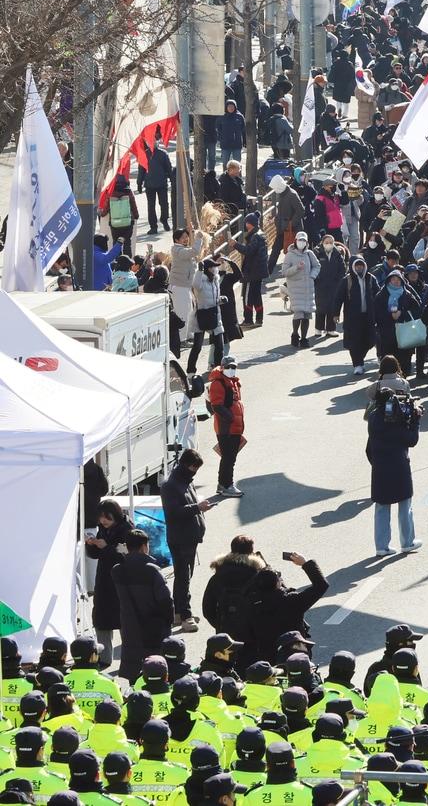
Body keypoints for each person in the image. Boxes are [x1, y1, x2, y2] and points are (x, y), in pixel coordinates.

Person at [159, 449, 212, 634]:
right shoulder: (170, 486)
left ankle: (178, 612)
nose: (195, 471)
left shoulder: (186, 481)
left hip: (189, 537)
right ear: (184, 464)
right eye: (193, 467)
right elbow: (173, 512)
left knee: (184, 576)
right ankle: (185, 615)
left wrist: (198, 508)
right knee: (183, 577)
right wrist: (197, 508)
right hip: (180, 538)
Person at [365, 386, 423, 558]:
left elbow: (368, 448)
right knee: (405, 504)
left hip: (380, 468)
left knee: (382, 506)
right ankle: (407, 542)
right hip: (399, 465)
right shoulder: (397, 417)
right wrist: (416, 420)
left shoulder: (373, 418)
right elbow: (411, 440)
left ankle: (382, 546)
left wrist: (375, 463)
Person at [111, 529, 174, 681]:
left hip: (129, 626)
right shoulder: (152, 570)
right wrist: (168, 621)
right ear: (144, 546)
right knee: (156, 669)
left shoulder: (117, 570)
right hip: (154, 627)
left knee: (133, 672)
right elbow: (165, 600)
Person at [247, 554, 330, 667]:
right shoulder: (291, 601)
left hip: (267, 657)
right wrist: (305, 564)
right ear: (277, 583)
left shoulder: (252, 604)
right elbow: (321, 585)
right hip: (295, 654)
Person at [84, 499, 133, 664]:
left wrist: (106, 547)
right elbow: (96, 554)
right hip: (104, 580)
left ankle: (130, 658)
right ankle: (104, 659)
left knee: (124, 620)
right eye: (101, 517)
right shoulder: (103, 530)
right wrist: (91, 544)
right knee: (101, 619)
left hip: (122, 580)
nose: (103, 521)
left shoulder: (127, 529)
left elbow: (127, 553)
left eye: (107, 517)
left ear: (116, 515)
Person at [206, 355, 246, 497]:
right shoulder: (219, 383)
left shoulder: (232, 382)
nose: (231, 369)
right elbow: (216, 405)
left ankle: (224, 484)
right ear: (222, 367)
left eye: (233, 367)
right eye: (228, 367)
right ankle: (226, 485)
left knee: (230, 458)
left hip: (234, 427)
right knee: (228, 458)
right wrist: (230, 419)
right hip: (227, 428)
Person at [187, 257, 225, 375]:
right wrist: (199, 271)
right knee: (197, 346)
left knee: (220, 345)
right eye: (214, 267)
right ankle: (191, 371)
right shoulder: (201, 280)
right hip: (202, 316)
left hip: (214, 314)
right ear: (208, 268)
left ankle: (218, 370)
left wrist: (221, 300)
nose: (216, 269)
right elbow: (195, 285)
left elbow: (214, 298)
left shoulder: (215, 280)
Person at [229, 214, 268, 328]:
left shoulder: (255, 236)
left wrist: (235, 244)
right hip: (258, 271)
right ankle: (259, 319)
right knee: (256, 295)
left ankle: (248, 319)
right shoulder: (261, 234)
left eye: (246, 222)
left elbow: (248, 251)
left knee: (247, 296)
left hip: (252, 271)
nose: (245, 225)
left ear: (249, 223)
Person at [283, 232, 320, 349]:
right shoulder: (290, 255)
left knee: (307, 315)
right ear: (295, 240)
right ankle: (295, 334)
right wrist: (296, 268)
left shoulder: (310, 254)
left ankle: (304, 338)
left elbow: (317, 266)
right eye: (300, 240)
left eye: (304, 241)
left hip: (308, 287)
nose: (301, 242)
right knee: (298, 313)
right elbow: (285, 272)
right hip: (295, 287)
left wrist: (312, 276)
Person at [342, 256, 377, 375]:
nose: (359, 267)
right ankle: (357, 364)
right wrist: (335, 314)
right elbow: (338, 297)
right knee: (354, 342)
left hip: (368, 316)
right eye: (357, 265)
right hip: (353, 318)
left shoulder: (371, 278)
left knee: (369, 341)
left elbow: (379, 295)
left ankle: (360, 359)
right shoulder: (347, 280)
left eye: (361, 265)